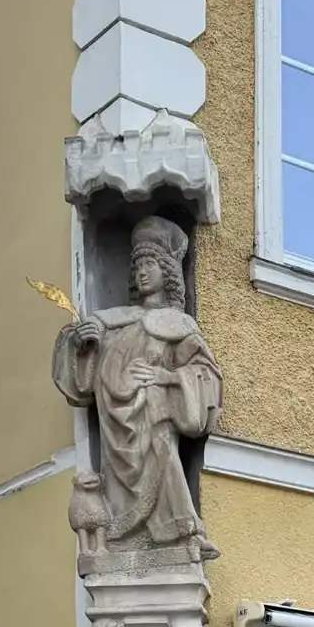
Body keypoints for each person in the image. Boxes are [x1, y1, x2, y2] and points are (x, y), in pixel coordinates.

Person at [52, 215, 221, 563]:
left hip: (155, 417)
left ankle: (182, 528)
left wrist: (168, 379)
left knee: (161, 433)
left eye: (151, 264)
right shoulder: (113, 321)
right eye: (138, 265)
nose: (143, 272)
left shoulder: (178, 325)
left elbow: (205, 374)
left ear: (168, 272)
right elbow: (82, 382)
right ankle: (126, 534)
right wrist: (85, 345)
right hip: (118, 434)